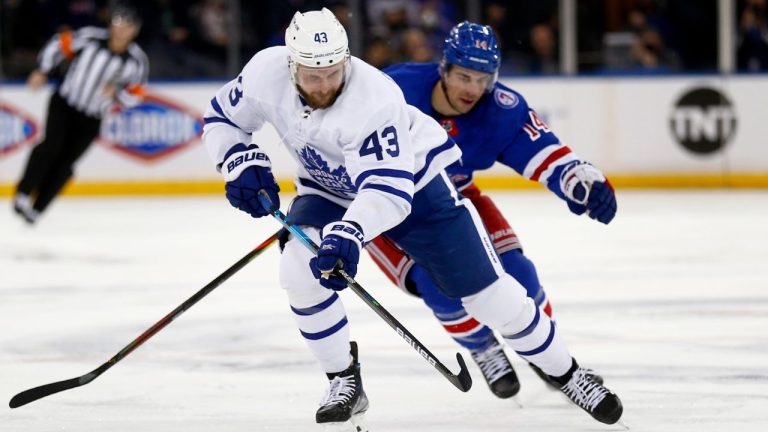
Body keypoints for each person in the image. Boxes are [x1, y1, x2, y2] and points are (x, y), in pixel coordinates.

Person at [202, 8, 623, 430]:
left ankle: (568, 374)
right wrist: (238, 160)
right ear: (290, 63)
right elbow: (222, 118)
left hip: (415, 191)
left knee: (489, 295)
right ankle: (343, 380)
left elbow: (388, 193)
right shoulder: (263, 73)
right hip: (327, 187)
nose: (325, 85)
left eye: (334, 71)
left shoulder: (373, 99)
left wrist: (348, 232)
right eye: (313, 75)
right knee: (297, 270)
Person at [366, 21, 619, 401]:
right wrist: (316, 207)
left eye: (482, 79)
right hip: (390, 204)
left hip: (456, 195)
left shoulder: (501, 109)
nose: (472, 89)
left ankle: (549, 355)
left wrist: (582, 184)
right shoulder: (392, 90)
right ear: (444, 68)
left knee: (519, 272)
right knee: (439, 286)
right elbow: (335, 142)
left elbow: (546, 154)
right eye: (464, 76)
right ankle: (483, 347)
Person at [12, 4, 148, 224]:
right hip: (65, 103)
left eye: (127, 26)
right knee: (51, 147)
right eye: (118, 24)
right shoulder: (90, 38)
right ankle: (23, 192)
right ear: (111, 25)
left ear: (135, 30)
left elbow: (137, 94)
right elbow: (59, 44)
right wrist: (42, 70)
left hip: (92, 117)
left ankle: (37, 209)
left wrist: (119, 94)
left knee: (67, 163)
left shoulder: (136, 61)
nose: (122, 30)